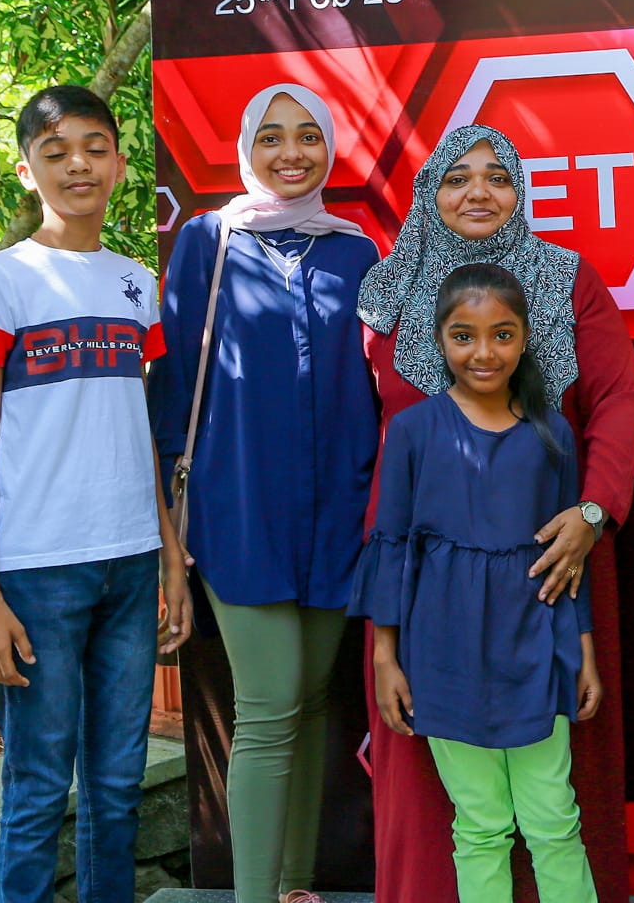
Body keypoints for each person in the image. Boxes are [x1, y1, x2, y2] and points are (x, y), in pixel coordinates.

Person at [355, 123, 634, 903]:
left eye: (497, 176)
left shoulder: (566, 279)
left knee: (557, 796)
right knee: (454, 801)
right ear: (427, 193)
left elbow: (619, 399)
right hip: (431, 593)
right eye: (456, 177)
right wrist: (384, 634)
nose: (478, 191)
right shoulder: (390, 290)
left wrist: (593, 511)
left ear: (521, 191)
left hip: (554, 562)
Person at [0, 85, 191, 903]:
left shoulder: (135, 285)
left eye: (94, 147)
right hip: (39, 572)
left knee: (118, 787)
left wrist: (170, 558)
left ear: (120, 164)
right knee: (36, 791)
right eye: (55, 153)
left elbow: (144, 435)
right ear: (28, 172)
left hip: (129, 562)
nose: (77, 165)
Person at [148, 83, 379, 903]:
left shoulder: (358, 252)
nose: (291, 152)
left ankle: (294, 885)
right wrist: (176, 531)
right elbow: (173, 390)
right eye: (273, 136)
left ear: (330, 148)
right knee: (273, 703)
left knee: (314, 700)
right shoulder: (207, 243)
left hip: (337, 514)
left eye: (308, 136)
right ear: (245, 146)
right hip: (239, 511)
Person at [352, 262, 601, 903]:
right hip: (443, 655)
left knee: (554, 820)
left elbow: (571, 565)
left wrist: (585, 653)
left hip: (536, 649)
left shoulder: (555, 434)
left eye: (502, 334)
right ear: (439, 340)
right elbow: (391, 548)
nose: (484, 352)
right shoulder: (411, 431)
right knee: (482, 825)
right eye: (464, 336)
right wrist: (385, 656)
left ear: (524, 339)